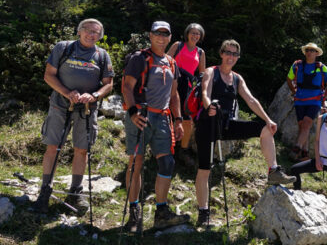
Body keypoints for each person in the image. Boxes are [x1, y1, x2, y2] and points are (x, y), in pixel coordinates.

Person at [195, 39, 296, 227]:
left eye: (235, 54)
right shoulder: (211, 71)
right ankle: (203, 211)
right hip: (207, 124)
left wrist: (267, 119)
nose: (231, 57)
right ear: (221, 53)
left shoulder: (237, 78)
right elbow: (205, 92)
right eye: (228, 52)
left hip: (226, 125)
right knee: (204, 169)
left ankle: (273, 170)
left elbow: (250, 100)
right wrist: (209, 106)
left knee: (265, 129)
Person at [32, 19, 114, 215]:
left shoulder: (102, 56)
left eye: (95, 32)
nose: (91, 34)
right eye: (87, 30)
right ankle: (45, 191)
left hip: (87, 109)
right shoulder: (64, 48)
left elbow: (108, 84)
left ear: (100, 36)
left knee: (82, 149)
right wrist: (67, 92)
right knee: (53, 146)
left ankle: (75, 193)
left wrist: (94, 95)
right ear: (79, 31)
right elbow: (49, 75)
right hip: (60, 105)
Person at [121, 21, 189, 231]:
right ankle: (134, 211)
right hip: (141, 114)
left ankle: (161, 212)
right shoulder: (139, 58)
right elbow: (126, 86)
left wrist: (178, 120)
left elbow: (174, 93)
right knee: (136, 163)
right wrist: (132, 112)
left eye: (165, 34)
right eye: (157, 34)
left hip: (163, 118)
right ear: (150, 36)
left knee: (167, 162)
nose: (161, 37)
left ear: (170, 38)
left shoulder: (171, 62)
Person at [290, 92, 327, 220]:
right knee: (294, 170)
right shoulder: (321, 118)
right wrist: (317, 159)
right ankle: (297, 200)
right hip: (322, 160)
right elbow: (317, 140)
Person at [167, 23, 206, 166]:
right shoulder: (178, 45)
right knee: (169, 114)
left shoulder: (200, 52)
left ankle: (183, 150)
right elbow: (165, 61)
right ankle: (167, 148)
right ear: (187, 33)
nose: (195, 35)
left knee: (188, 119)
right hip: (173, 82)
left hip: (189, 87)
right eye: (193, 32)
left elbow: (202, 72)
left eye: (198, 33)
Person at [286, 42, 327, 161]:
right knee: (302, 126)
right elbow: (289, 78)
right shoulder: (297, 65)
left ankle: (296, 149)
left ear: (316, 53)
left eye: (312, 50)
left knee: (306, 124)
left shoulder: (322, 67)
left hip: (315, 101)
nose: (309, 52)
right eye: (308, 50)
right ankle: (304, 154)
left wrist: (324, 98)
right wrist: (293, 91)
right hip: (299, 99)